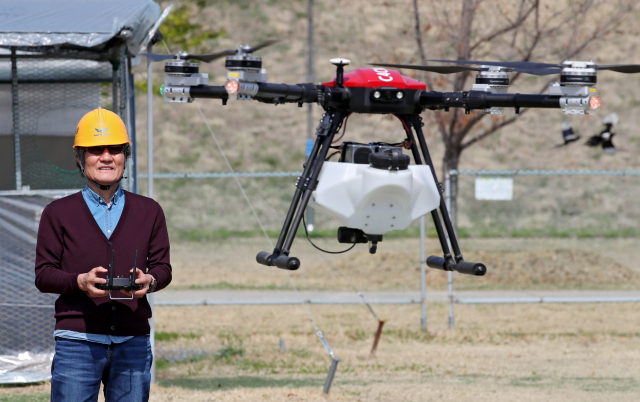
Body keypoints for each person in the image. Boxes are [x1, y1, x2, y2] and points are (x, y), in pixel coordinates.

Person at [35, 108, 172, 401]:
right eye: (96, 150)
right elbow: (44, 275)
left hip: (132, 340)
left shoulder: (150, 211)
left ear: (126, 155)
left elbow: (163, 267)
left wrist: (151, 280)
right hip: (77, 343)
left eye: (116, 150)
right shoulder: (57, 213)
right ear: (81, 158)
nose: (107, 157)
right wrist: (80, 281)